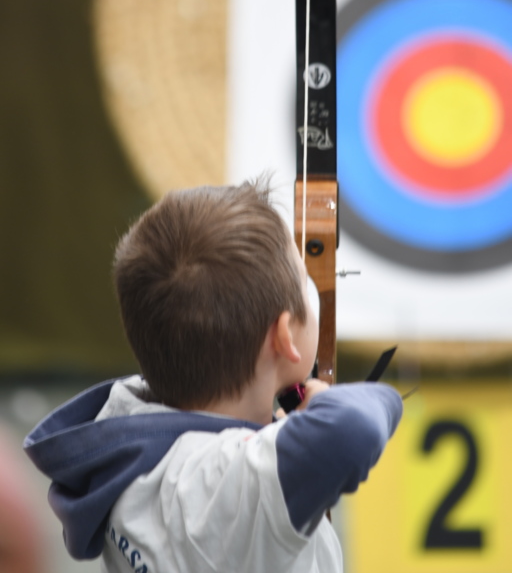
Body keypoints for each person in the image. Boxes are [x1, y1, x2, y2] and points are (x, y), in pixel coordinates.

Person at [24, 179, 402, 573]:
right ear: (284, 336)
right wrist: (328, 401)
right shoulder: (231, 486)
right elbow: (353, 427)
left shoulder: (121, 441)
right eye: (306, 284)